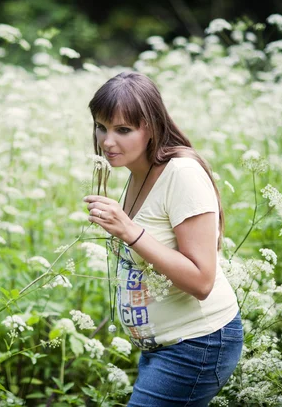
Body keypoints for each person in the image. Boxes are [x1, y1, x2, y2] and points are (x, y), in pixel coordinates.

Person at [83, 71, 242, 406]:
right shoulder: (137, 172)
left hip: (198, 343)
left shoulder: (181, 174)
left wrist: (130, 230)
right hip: (164, 345)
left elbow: (202, 281)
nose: (107, 141)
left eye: (123, 130)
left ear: (151, 127)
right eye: (101, 126)